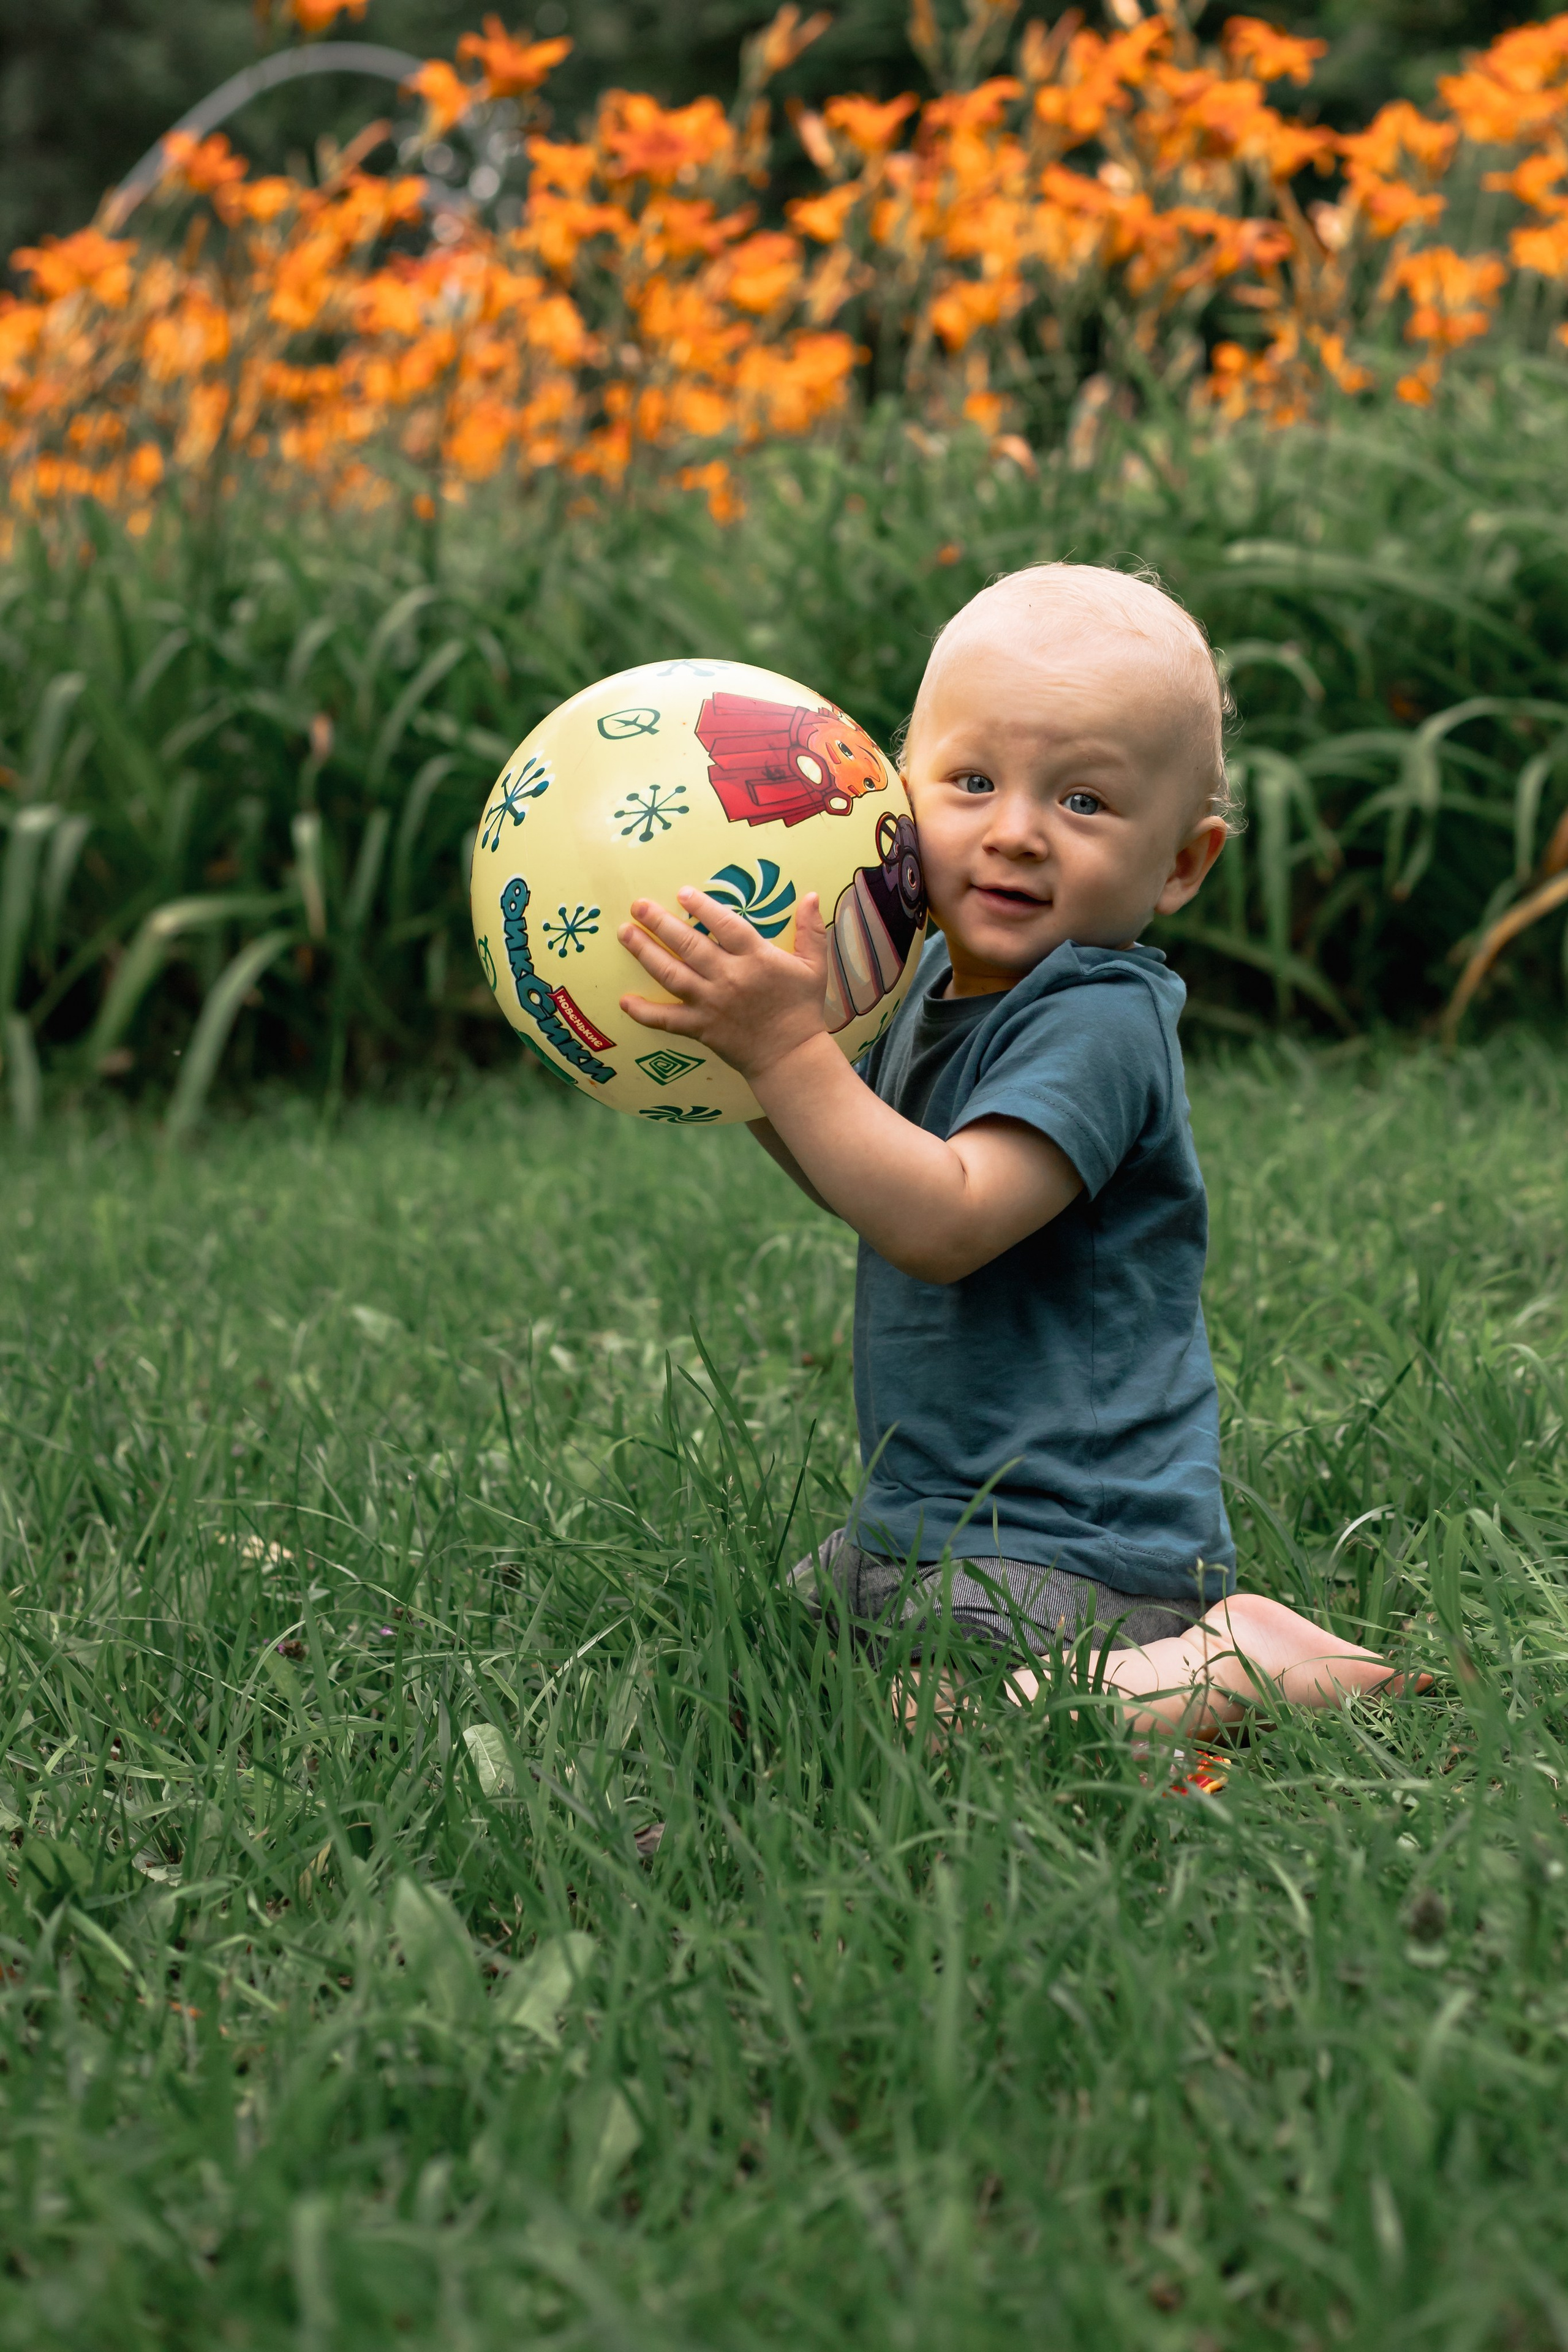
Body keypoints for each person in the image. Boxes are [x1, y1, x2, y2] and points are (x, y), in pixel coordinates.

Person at [616, 564, 1414, 1740]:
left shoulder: (1099, 1018)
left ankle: (1240, 1660)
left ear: (1182, 864)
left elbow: (943, 1221)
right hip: (930, 1515)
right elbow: (875, 1185)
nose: (1016, 833)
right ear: (898, 793)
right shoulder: (925, 980)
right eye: (974, 781)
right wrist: (745, 1077)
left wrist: (787, 1053)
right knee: (778, 1663)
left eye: (1084, 802)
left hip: (1083, 1538)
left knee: (931, 1730)